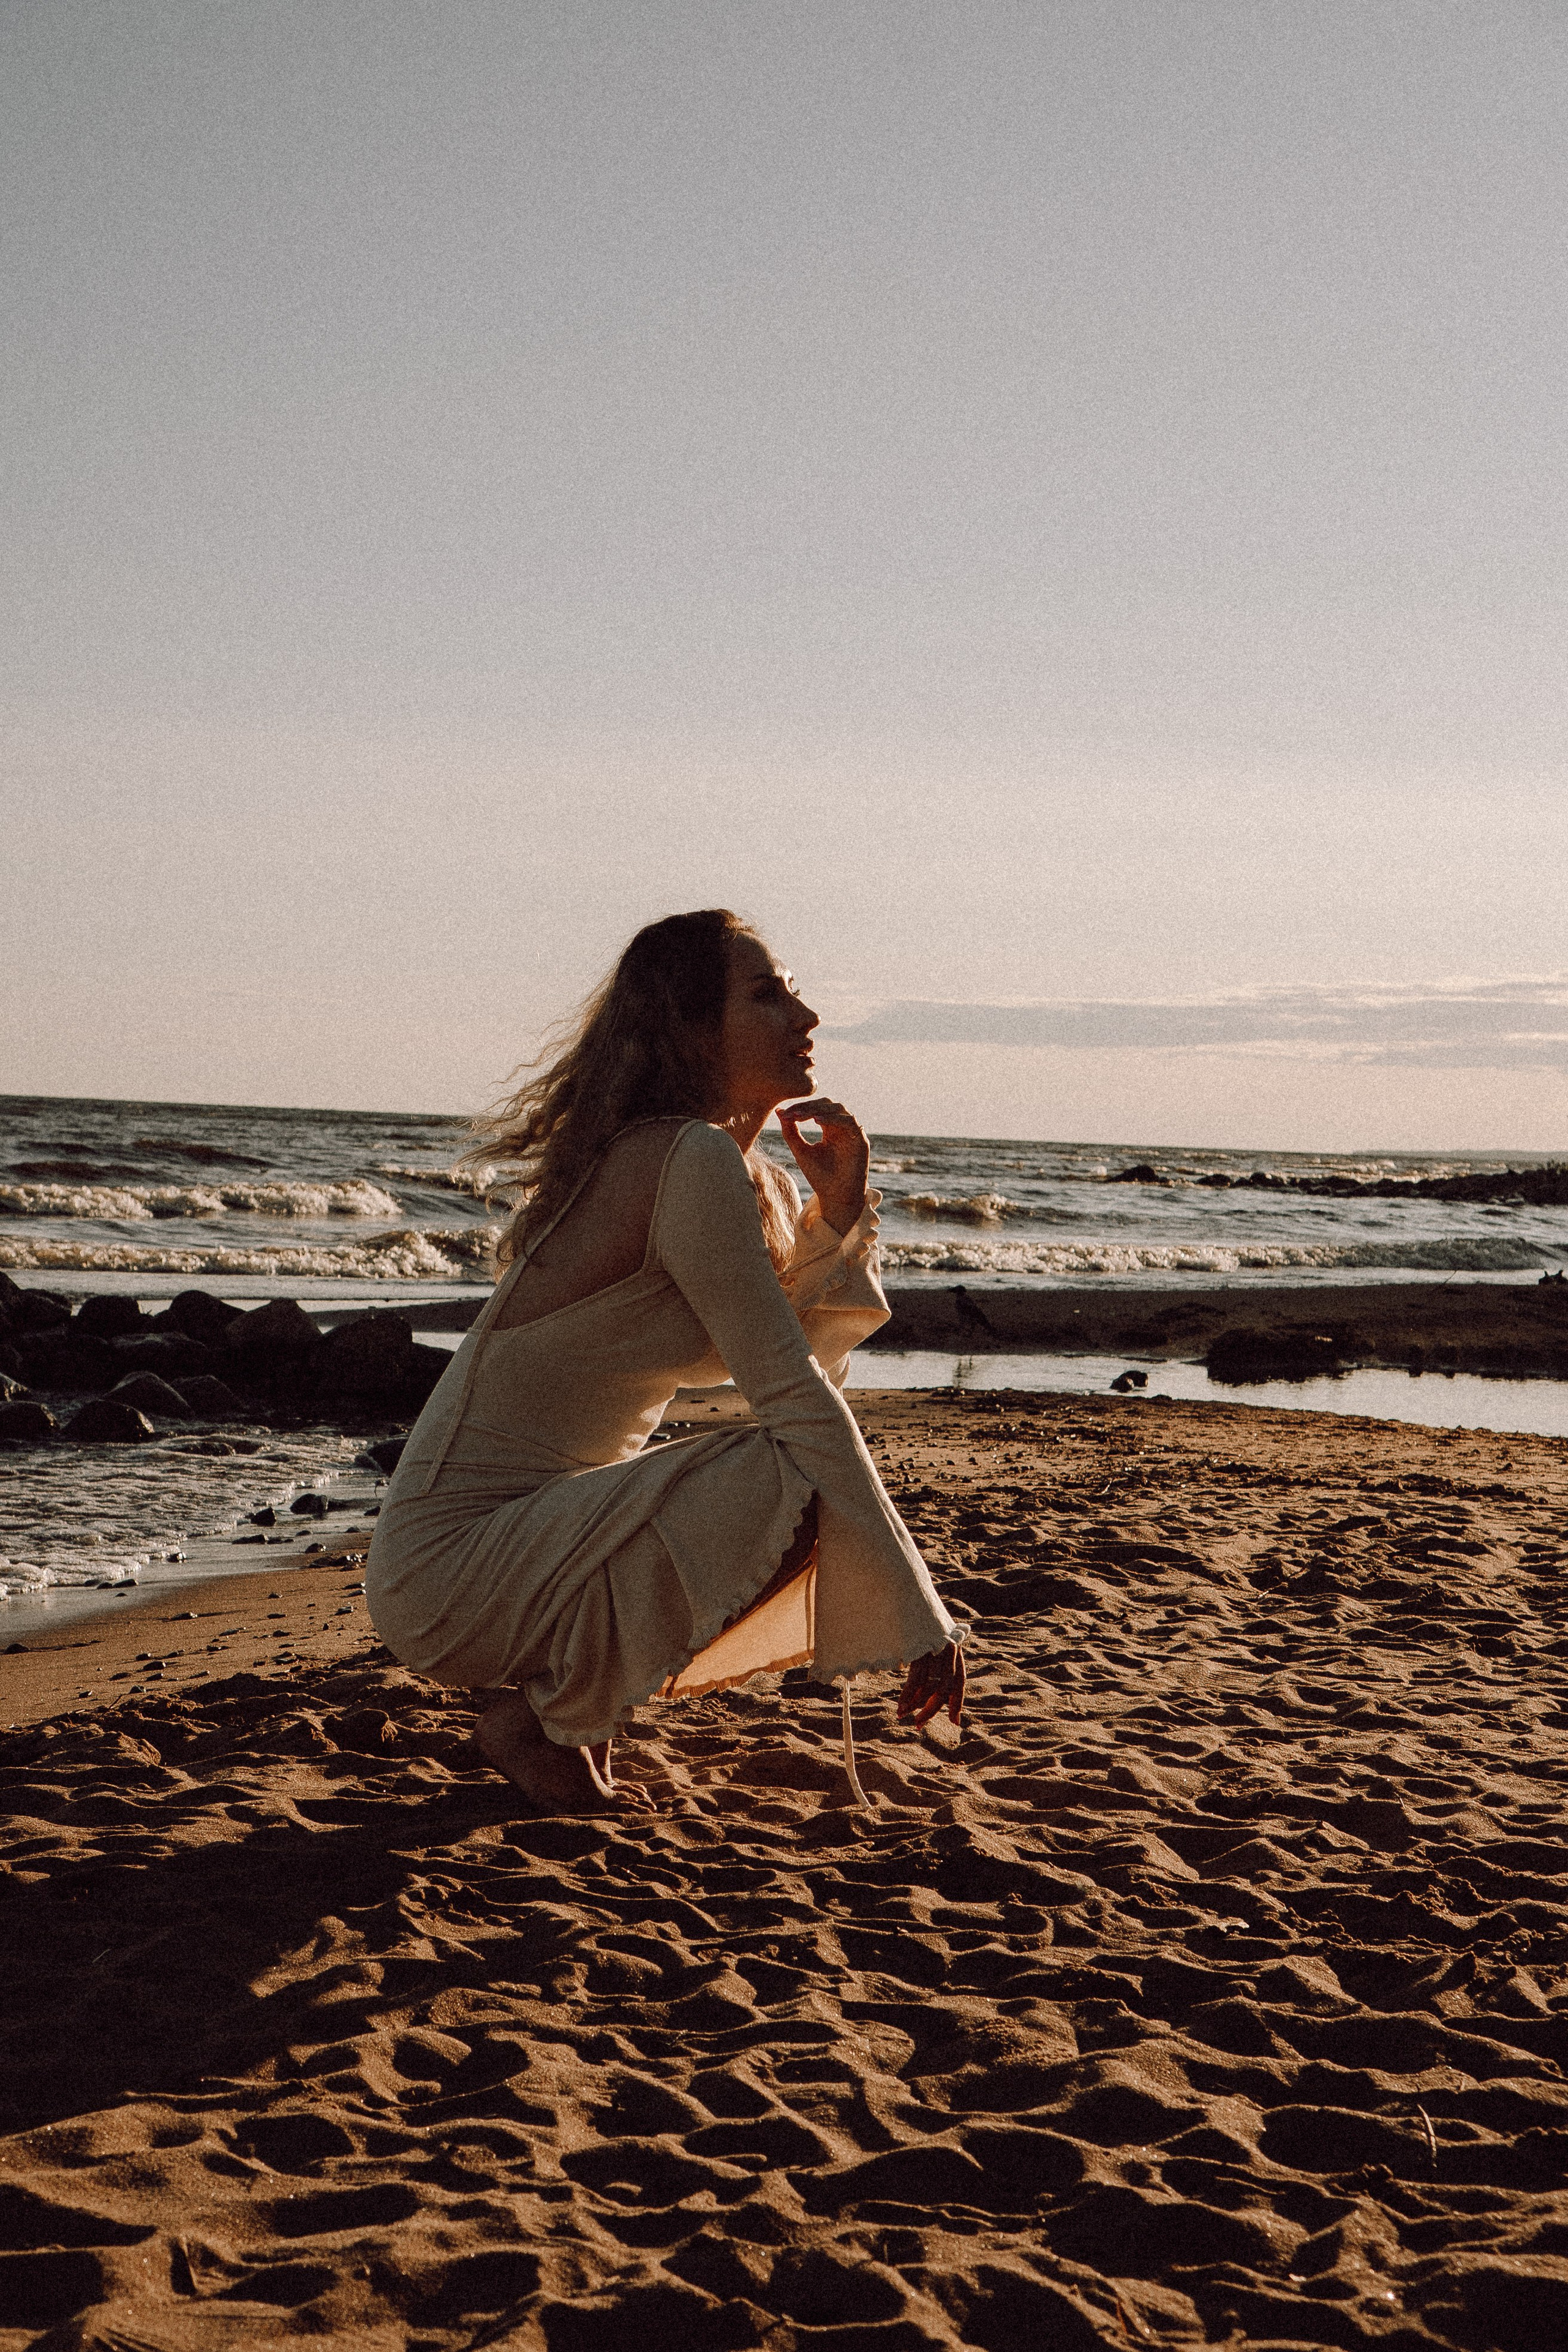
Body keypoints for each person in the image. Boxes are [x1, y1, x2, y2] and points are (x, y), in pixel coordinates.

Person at [366, 908, 965, 1813]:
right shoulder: (679, 1157)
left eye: (795, 994)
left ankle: (559, 1719)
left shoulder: (733, 1173)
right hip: (450, 1568)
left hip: (535, 1545)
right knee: (793, 1469)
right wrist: (922, 1612)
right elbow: (790, 1395)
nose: (806, 1019)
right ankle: (542, 1720)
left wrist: (836, 1214)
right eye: (767, 995)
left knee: (797, 1467)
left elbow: (777, 1363)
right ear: (689, 1027)